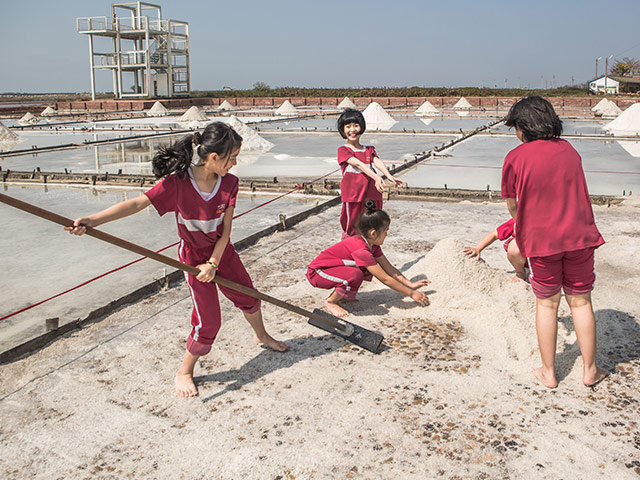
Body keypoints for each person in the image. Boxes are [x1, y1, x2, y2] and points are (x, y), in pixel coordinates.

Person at [66, 122, 287, 398]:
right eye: (232, 158)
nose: (235, 164)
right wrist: (92, 221)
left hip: (221, 254)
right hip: (193, 259)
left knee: (249, 296)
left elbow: (226, 231)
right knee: (208, 322)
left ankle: (261, 335)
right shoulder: (177, 184)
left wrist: (215, 263)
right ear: (214, 157)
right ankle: (184, 371)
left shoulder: (230, 183)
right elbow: (137, 203)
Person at [501, 96, 607, 389]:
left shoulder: (515, 157)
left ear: (522, 127)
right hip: (579, 237)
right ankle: (590, 371)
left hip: (542, 242)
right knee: (582, 302)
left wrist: (524, 223)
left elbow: (512, 205)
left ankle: (549, 372)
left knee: (547, 305)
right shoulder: (570, 150)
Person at [306, 200, 430, 318]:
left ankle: (343, 295)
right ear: (373, 233)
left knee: (358, 273)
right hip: (318, 272)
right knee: (355, 274)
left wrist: (410, 284)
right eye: (386, 231)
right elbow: (385, 278)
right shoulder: (360, 249)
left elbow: (389, 268)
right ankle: (331, 301)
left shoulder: (373, 245)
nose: (386, 235)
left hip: (333, 270)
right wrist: (411, 294)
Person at [336, 108, 404, 238]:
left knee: (373, 219)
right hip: (353, 193)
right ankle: (349, 243)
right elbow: (359, 164)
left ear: (362, 127)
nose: (352, 130)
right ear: (343, 129)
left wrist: (389, 176)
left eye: (356, 126)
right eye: (348, 126)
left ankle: (370, 244)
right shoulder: (343, 150)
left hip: (372, 191)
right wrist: (376, 176)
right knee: (353, 220)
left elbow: (377, 162)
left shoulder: (369, 149)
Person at [463, 218, 528, 281]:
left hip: (537, 260)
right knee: (514, 246)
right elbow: (494, 234)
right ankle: (520, 272)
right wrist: (478, 249)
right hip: (526, 257)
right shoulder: (520, 219)